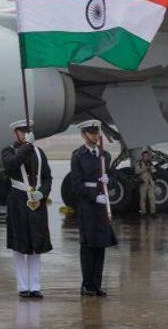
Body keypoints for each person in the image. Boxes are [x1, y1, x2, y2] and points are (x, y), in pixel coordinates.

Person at [1, 119, 52, 298]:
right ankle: (23, 286)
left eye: (27, 131)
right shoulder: (8, 151)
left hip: (36, 201)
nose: (24, 134)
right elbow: (12, 165)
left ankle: (35, 285)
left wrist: (42, 193)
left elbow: (47, 177)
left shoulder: (39, 153)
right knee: (19, 245)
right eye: (21, 131)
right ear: (15, 133)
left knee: (36, 245)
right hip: (18, 201)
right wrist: (27, 145)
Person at [69, 120, 117, 296]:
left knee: (101, 245)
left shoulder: (105, 156)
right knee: (88, 246)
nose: (96, 136)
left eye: (97, 132)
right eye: (92, 132)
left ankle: (97, 284)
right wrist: (93, 195)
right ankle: (87, 284)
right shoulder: (78, 156)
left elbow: (111, 177)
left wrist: (108, 182)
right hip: (87, 206)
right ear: (84, 134)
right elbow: (76, 184)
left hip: (101, 205)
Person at [137, 149, 156, 215]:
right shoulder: (139, 163)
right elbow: (137, 171)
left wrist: (151, 169)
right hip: (143, 182)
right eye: (144, 156)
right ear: (142, 156)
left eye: (147, 156)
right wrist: (145, 169)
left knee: (152, 197)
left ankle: (153, 212)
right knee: (143, 198)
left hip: (150, 182)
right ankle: (143, 211)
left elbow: (153, 170)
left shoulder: (150, 163)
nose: (146, 157)